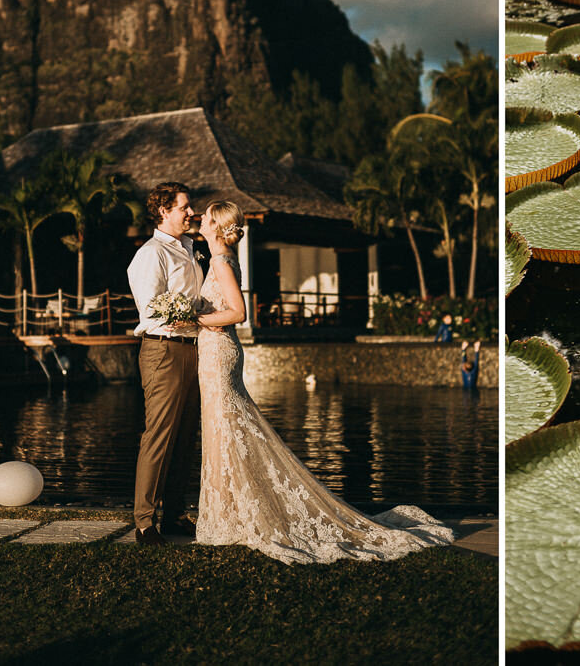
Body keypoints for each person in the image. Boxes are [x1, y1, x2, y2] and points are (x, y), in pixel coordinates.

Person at [193, 200, 453, 563]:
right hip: (215, 353)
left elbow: (238, 312)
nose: (199, 221)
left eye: (205, 218)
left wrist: (195, 319)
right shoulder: (224, 258)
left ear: (218, 228)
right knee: (226, 431)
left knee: (227, 430)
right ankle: (229, 513)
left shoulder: (221, 261)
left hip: (219, 352)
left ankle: (233, 517)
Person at [126, 181, 203, 547]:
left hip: (194, 349)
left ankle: (174, 514)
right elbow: (152, 308)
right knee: (159, 435)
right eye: (184, 207)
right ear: (163, 211)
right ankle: (144, 522)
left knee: (186, 436)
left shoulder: (189, 248)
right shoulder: (151, 254)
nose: (191, 212)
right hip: (163, 350)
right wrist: (192, 316)